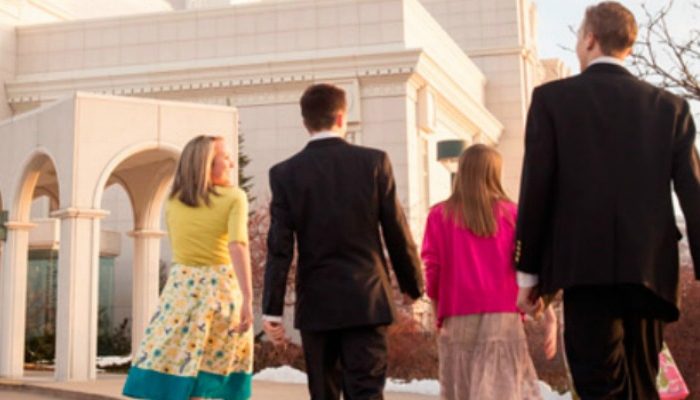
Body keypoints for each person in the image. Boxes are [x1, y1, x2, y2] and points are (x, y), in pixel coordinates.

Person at [515, 2, 700, 399]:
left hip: (585, 269)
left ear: (590, 38)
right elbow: (694, 194)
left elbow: (536, 189)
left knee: (599, 385)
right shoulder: (671, 108)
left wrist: (529, 273)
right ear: (629, 47)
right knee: (641, 381)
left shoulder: (551, 101)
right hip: (650, 272)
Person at [262, 83, 424, 400]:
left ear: (305, 122)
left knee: (323, 393)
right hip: (367, 300)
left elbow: (279, 248)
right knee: (366, 392)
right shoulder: (375, 163)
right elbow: (396, 231)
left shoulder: (285, 173)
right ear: (341, 118)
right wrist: (412, 285)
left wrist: (272, 309)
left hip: (317, 304)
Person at [123, 135, 254, 400]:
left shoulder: (174, 201)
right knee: (213, 371)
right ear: (207, 165)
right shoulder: (234, 198)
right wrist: (248, 299)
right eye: (225, 158)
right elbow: (237, 246)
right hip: (220, 290)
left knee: (181, 365)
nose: (231, 163)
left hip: (180, 291)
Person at [421, 145, 556, 400]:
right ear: (495, 173)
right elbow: (529, 267)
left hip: (457, 313)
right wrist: (548, 314)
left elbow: (433, 272)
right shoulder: (514, 214)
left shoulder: (439, 216)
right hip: (504, 314)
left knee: (461, 390)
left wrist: (436, 310)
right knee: (504, 389)